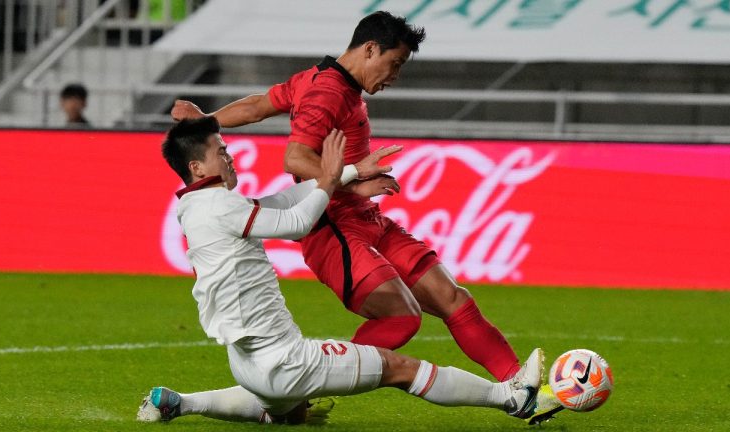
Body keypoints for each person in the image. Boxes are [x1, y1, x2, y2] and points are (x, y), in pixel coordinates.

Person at [170, 11, 562, 424]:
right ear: (370, 48)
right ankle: (307, 383)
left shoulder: (318, 80)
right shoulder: (327, 92)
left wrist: (205, 122)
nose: (394, 76)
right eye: (394, 63)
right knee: (403, 315)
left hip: (366, 217)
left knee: (452, 298)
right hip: (333, 226)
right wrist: (353, 183)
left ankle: (521, 386)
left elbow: (255, 107)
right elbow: (297, 159)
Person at [138, 117, 542, 425]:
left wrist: (348, 175)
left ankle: (180, 403)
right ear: (196, 167)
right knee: (401, 369)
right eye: (220, 152)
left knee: (282, 410)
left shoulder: (197, 205)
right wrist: (329, 178)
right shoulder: (219, 206)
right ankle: (511, 397)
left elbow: (281, 200)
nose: (229, 157)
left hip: (247, 363)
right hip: (287, 361)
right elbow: (296, 222)